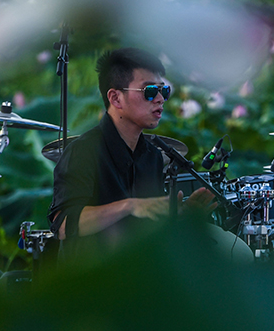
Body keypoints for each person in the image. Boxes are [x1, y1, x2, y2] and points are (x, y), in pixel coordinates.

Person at [49, 47, 212, 250]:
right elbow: (63, 225)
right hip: (94, 277)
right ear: (116, 98)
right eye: (150, 91)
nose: (160, 98)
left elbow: (144, 230)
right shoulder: (83, 151)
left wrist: (178, 215)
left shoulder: (153, 156)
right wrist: (130, 206)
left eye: (164, 90)